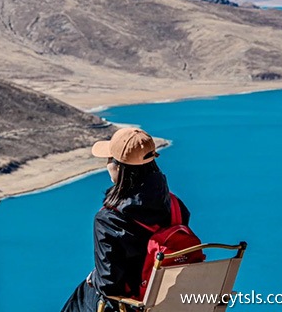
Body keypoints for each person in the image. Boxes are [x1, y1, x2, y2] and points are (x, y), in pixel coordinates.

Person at [61, 127, 191, 312]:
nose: (107, 165)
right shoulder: (176, 206)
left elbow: (109, 285)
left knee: (81, 297)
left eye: (108, 159)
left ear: (119, 167)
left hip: (133, 303)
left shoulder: (108, 220)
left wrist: (92, 279)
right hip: (169, 296)